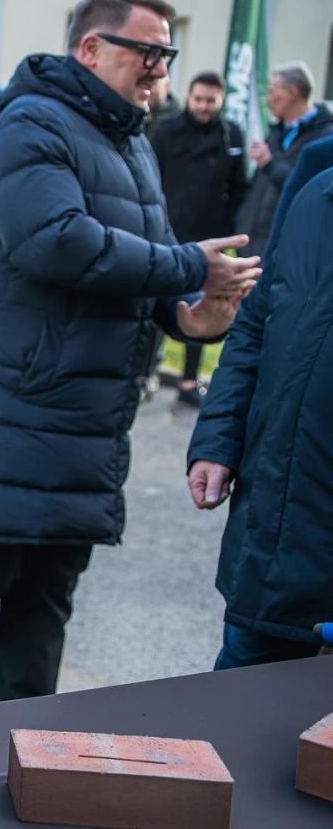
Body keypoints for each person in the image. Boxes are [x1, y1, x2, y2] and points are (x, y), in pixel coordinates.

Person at [0, 0, 261, 709]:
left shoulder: (128, 140)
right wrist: (189, 267)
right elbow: (57, 243)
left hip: (80, 419)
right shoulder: (32, 124)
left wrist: (190, 319)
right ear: (92, 48)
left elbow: (143, 258)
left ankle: (24, 741)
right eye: (149, 53)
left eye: (167, 55)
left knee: (46, 597)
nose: (161, 71)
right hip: (10, 408)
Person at [186, 160, 333, 670]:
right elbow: (254, 326)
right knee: (235, 712)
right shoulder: (318, 194)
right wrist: (218, 439)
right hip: (272, 558)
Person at [149, 71, 249, 406]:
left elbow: (238, 189)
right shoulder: (165, 131)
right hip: (166, 233)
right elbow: (149, 180)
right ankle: (144, 374)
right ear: (189, 97)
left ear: (221, 100)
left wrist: (228, 231)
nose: (204, 106)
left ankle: (189, 380)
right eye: (198, 99)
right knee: (155, 302)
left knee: (200, 306)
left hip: (209, 236)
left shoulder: (231, 135)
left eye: (210, 101)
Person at [234, 62, 333, 257]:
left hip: (287, 247)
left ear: (292, 92)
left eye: (272, 92)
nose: (267, 99)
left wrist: (270, 165)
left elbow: (310, 188)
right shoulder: (276, 132)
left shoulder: (325, 137)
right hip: (251, 244)